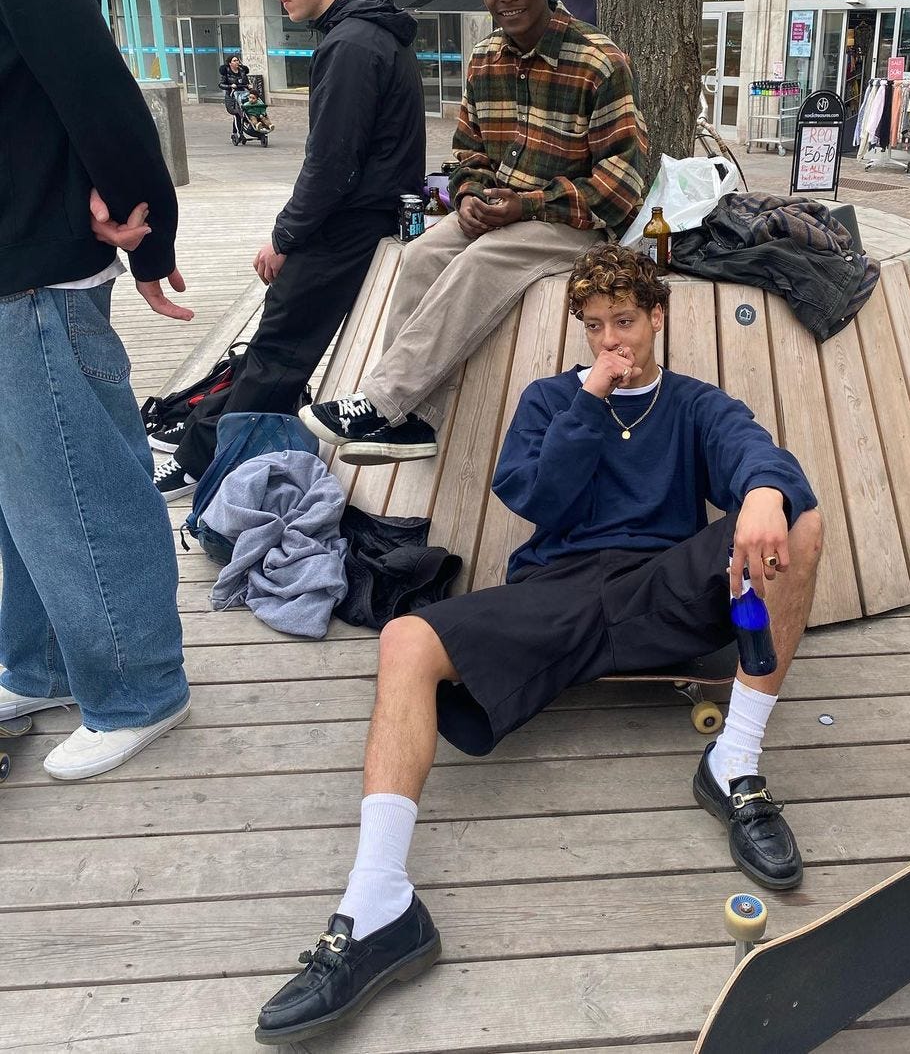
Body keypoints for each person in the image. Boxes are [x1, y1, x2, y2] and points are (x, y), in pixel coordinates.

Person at [255, 245, 823, 1046]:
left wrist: (763, 491)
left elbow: (753, 450)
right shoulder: (553, 399)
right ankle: (378, 901)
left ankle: (734, 763)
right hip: (558, 590)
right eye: (594, 326)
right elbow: (537, 498)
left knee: (800, 516)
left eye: (625, 321)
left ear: (658, 317)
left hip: (660, 587)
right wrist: (589, 399)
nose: (611, 340)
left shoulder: (696, 404)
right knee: (407, 639)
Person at [299, 0, 646, 466]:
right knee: (420, 254)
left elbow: (622, 183)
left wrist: (527, 204)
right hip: (503, 212)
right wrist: (467, 196)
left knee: (481, 259)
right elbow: (469, 154)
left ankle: (383, 402)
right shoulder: (484, 59)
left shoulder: (599, 60)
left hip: (579, 223)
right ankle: (412, 423)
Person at [0, 0, 194, 777]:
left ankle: (138, 686)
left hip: (30, 252)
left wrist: (148, 223)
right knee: (28, 487)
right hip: (22, 242)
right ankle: (41, 664)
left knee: (79, 485)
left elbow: (81, 62)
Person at [152, 0, 425, 498]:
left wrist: (284, 237)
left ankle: (202, 462)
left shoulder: (350, 44)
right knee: (275, 348)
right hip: (366, 218)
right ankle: (209, 445)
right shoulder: (370, 32)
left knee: (277, 351)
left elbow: (331, 164)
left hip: (346, 226)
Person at [219, 54, 252, 141]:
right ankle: (239, 133)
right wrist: (230, 86)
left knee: (246, 112)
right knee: (237, 114)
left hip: (243, 94)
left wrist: (249, 86)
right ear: (230, 63)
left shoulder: (242, 71)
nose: (237, 62)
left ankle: (250, 130)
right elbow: (221, 84)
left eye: (237, 60)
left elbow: (246, 82)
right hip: (232, 97)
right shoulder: (226, 73)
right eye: (234, 60)